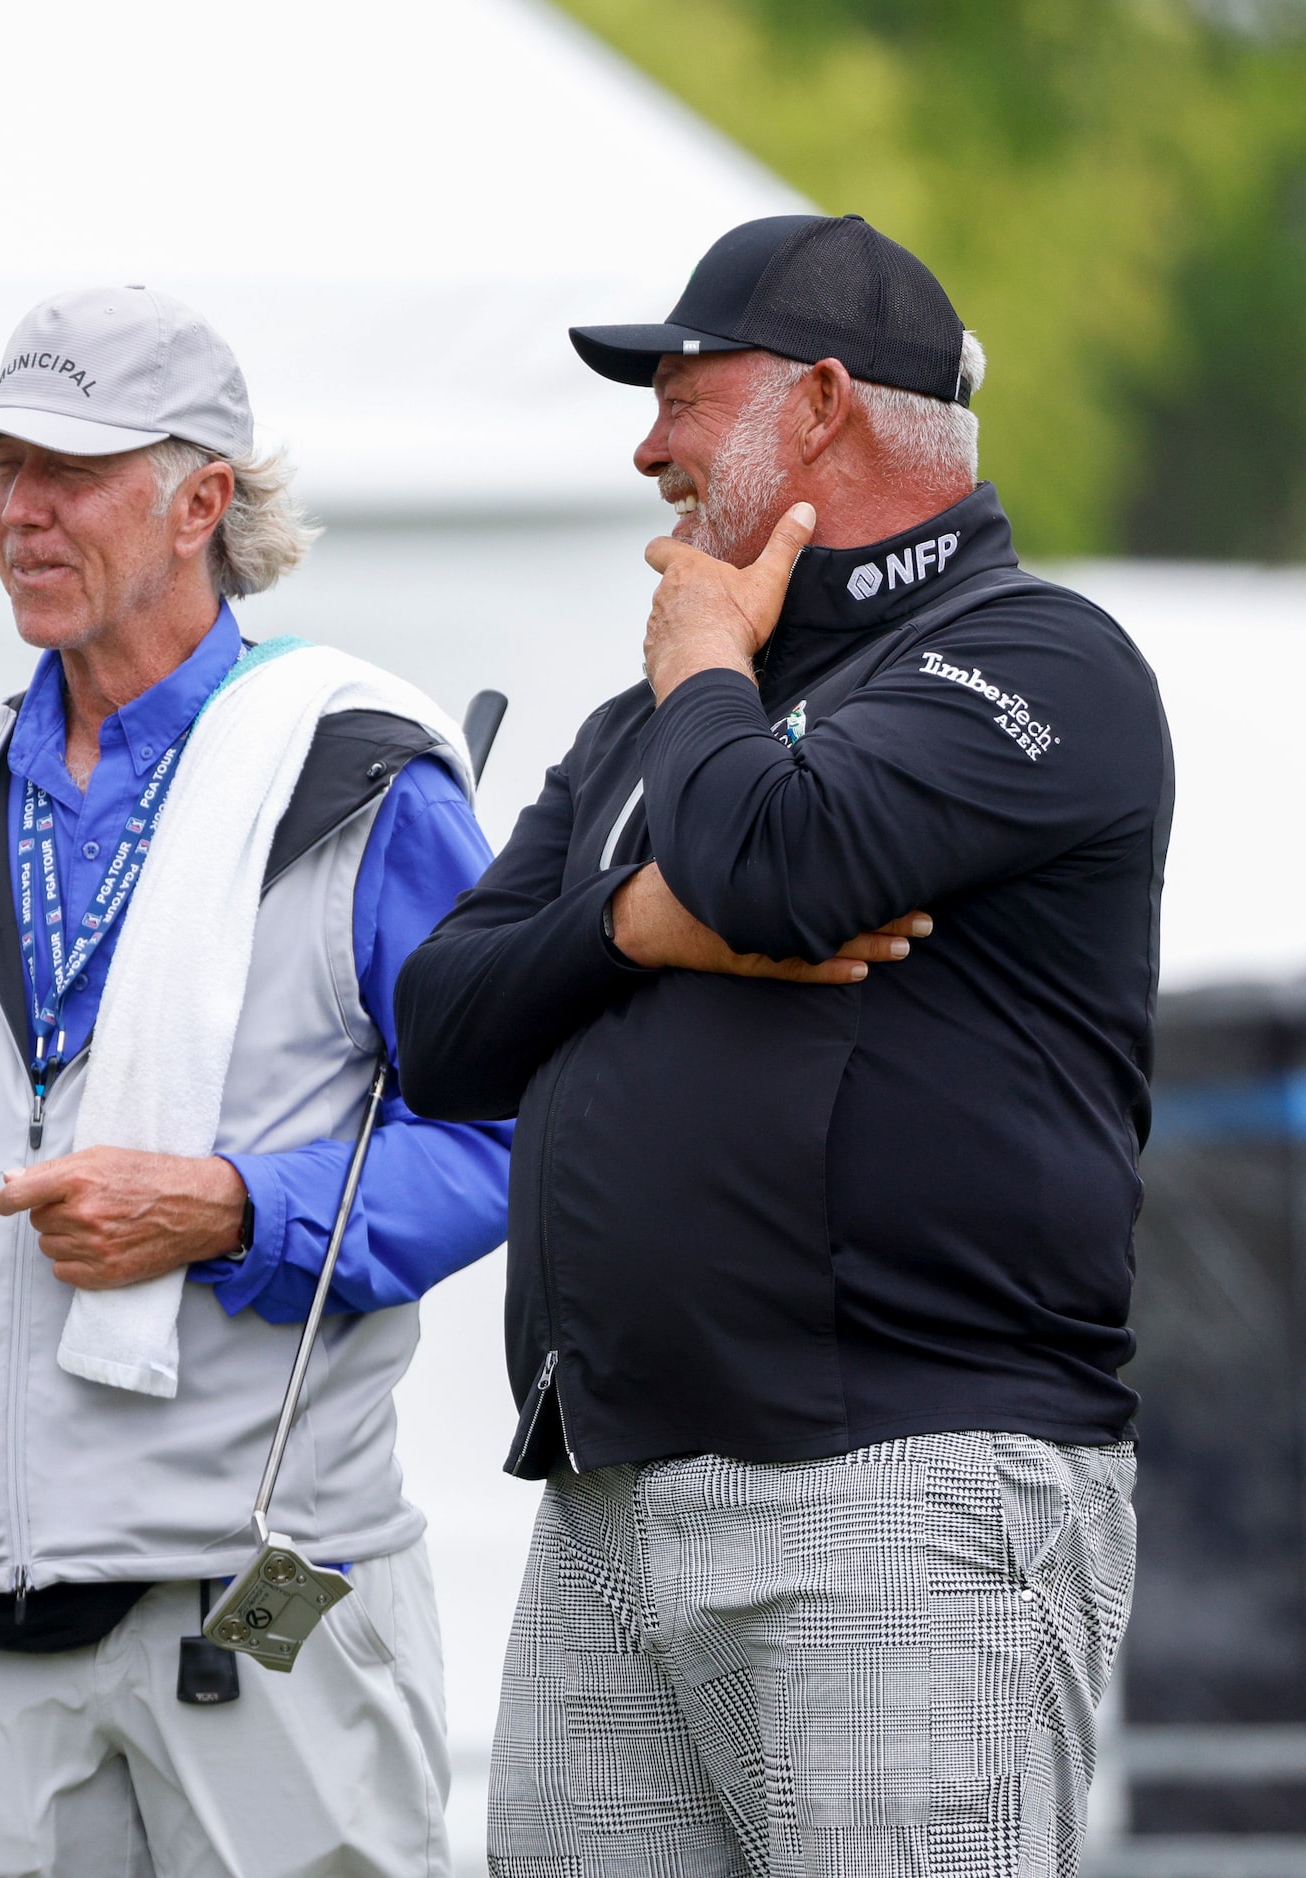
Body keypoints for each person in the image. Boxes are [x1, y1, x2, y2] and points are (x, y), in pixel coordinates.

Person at [394, 214, 1170, 1874]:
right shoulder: (660, 724)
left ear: (821, 402)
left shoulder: (1042, 661)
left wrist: (703, 689)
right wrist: (629, 926)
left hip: (907, 1483)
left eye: (685, 393)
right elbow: (440, 1029)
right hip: (608, 1504)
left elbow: (776, 861)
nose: (647, 444)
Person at [0, 285, 513, 1877]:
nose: (21, 511)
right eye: (1, 465)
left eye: (73, 469)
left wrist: (236, 1204)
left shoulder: (363, 774)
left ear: (201, 503)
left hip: (259, 1611)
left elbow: (504, 1132)